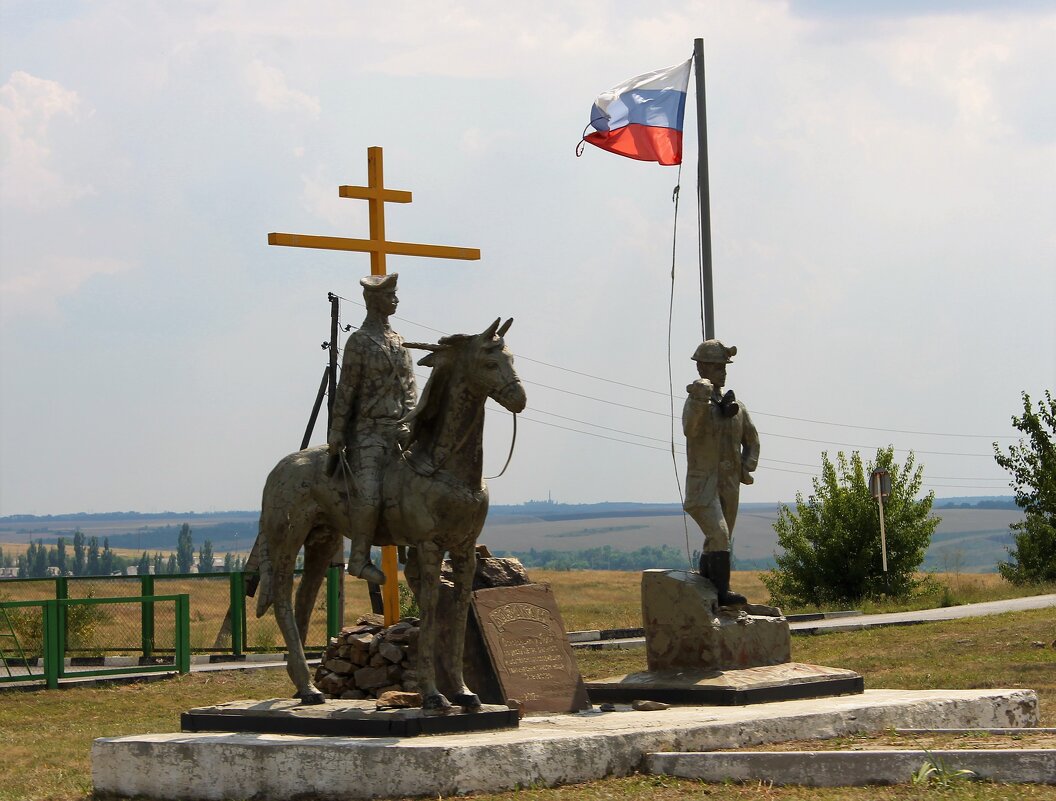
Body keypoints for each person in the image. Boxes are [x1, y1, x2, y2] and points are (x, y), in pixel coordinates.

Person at [327, 273, 417, 584]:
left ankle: (415, 545)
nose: (396, 299)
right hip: (368, 434)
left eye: (395, 293)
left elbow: (409, 389)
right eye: (389, 295)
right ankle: (360, 558)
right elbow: (347, 389)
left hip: (400, 432)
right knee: (369, 493)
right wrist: (337, 432)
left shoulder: (400, 342)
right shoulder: (360, 342)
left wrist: (412, 422)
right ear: (373, 300)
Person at [683, 339, 760, 606]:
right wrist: (699, 399)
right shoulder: (697, 402)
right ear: (702, 367)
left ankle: (708, 591)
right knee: (720, 535)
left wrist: (748, 465)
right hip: (703, 484)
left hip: (729, 484)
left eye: (724, 366)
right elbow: (691, 430)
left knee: (717, 540)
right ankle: (722, 593)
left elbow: (752, 439)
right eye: (717, 366)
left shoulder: (736, 406)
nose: (723, 371)